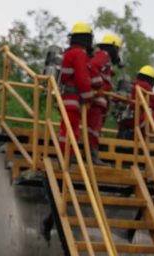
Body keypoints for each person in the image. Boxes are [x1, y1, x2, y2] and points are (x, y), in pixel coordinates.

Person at [58, 22, 95, 157]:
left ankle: (68, 155)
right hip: (72, 99)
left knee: (69, 128)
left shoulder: (69, 53)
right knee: (70, 129)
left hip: (66, 97)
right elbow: (82, 79)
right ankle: (66, 156)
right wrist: (89, 97)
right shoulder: (79, 54)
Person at [88, 33, 124, 165]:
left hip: (100, 101)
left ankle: (92, 154)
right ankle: (92, 156)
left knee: (94, 128)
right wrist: (99, 87)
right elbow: (92, 67)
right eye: (118, 50)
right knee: (93, 129)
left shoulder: (106, 60)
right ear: (113, 48)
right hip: (97, 100)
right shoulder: (103, 55)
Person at [116, 65, 154, 140]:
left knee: (147, 114)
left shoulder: (133, 84)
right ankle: (149, 139)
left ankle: (132, 135)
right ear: (151, 79)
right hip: (133, 120)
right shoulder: (144, 86)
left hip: (123, 122)